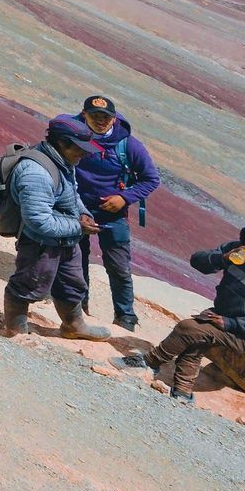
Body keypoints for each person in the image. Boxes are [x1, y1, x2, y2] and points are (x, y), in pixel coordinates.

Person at [114, 220, 245, 404]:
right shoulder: (235, 250)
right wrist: (223, 258)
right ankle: (182, 393)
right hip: (223, 315)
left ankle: (150, 361)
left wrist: (231, 324)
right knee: (195, 342)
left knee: (187, 328)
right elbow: (197, 261)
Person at [2, 115, 109, 341]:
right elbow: (38, 220)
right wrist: (78, 227)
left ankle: (74, 326)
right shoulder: (36, 173)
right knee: (28, 284)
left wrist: (83, 214)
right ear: (62, 142)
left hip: (66, 238)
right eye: (80, 148)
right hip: (40, 244)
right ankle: (15, 329)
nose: (85, 154)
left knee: (72, 284)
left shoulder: (63, 162)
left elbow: (70, 193)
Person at [73, 94, 161, 331]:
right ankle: (79, 309)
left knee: (119, 266)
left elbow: (151, 179)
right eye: (95, 116)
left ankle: (125, 318)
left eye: (106, 117)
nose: (101, 121)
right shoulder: (71, 135)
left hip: (113, 214)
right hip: (75, 208)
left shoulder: (128, 145)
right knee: (76, 260)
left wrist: (124, 198)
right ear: (84, 115)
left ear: (113, 119)